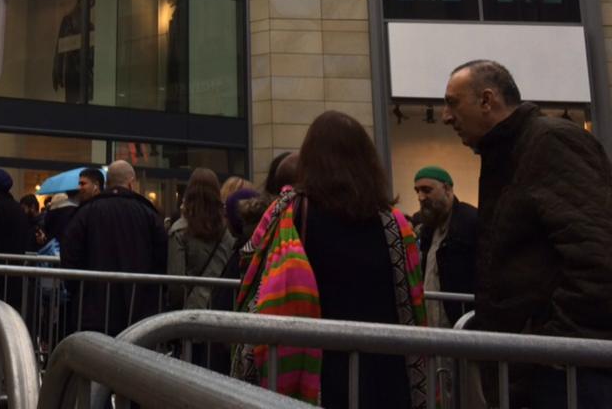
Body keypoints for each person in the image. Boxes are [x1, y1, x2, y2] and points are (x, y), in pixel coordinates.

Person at [442, 59, 612, 406]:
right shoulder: (507, 153)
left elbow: (597, 255)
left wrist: (550, 346)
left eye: (453, 103)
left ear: (487, 100)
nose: (446, 116)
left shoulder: (551, 142)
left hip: (564, 374)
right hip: (537, 368)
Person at [235, 111, 426, 408]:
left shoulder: (291, 213)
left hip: (313, 372)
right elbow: (411, 301)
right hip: (386, 372)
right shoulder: (395, 223)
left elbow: (251, 263)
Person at [60, 160, 168, 335]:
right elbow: (161, 258)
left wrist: (78, 290)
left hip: (92, 309)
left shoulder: (86, 212)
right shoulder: (148, 213)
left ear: (107, 183)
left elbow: (70, 254)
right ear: (131, 183)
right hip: (138, 309)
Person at [411, 166, 477, 328]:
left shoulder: (471, 221)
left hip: (461, 320)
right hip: (431, 321)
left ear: (447, 189)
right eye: (417, 191)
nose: (420, 197)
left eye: (427, 190)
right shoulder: (424, 225)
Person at [167, 168, 235, 311]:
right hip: (222, 308)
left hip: (190, 310)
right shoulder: (228, 232)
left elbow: (176, 284)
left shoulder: (179, 231)